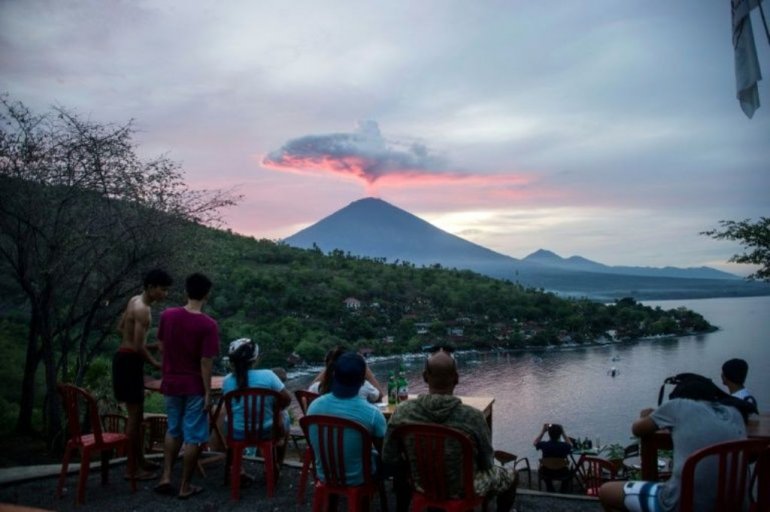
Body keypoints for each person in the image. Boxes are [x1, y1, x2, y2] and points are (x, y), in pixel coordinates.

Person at [382, 350, 518, 512]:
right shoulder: (472, 417)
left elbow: (388, 457)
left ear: (425, 377)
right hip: (464, 488)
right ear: (457, 378)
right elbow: (487, 462)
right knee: (512, 476)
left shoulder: (403, 411)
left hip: (421, 484)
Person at [598, 374, 756, 512]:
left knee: (606, 491)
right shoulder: (735, 413)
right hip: (736, 505)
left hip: (680, 505)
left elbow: (637, 429)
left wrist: (644, 415)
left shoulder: (678, 406)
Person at [154, 273, 219, 500]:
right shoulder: (208, 325)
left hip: (171, 382)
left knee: (173, 429)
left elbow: (161, 346)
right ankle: (185, 486)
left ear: (186, 291)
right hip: (193, 386)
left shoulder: (167, 316)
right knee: (193, 435)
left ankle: (166, 476)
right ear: (207, 295)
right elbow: (205, 361)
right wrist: (208, 392)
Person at [112, 268, 172, 481]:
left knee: (136, 418)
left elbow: (121, 329)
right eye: (163, 290)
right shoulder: (143, 309)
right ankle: (132, 470)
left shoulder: (133, 300)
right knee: (134, 418)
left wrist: (151, 345)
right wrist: (157, 363)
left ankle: (140, 460)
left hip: (124, 358)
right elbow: (137, 347)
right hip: (129, 362)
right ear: (151, 287)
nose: (165, 294)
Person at [306, 351, 387, 485]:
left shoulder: (314, 406)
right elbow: (384, 452)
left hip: (325, 475)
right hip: (359, 478)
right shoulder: (372, 413)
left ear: (333, 374)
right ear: (362, 381)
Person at [222, 338, 292, 466]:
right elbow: (287, 399)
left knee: (227, 417)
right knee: (284, 415)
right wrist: (275, 410)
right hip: (266, 432)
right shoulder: (268, 375)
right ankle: (276, 464)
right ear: (256, 359)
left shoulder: (227, 381)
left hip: (237, 432)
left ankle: (238, 469)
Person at [309, 346, 382, 402]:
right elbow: (379, 396)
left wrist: (328, 367)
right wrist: (366, 370)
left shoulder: (316, 389)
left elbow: (307, 394)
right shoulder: (363, 386)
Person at [533, 422, 574, 492]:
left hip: (547, 472)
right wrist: (563, 432)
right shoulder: (564, 446)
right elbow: (571, 445)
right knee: (570, 469)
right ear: (560, 434)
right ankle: (563, 490)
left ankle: (550, 487)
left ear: (549, 434)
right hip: (562, 473)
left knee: (543, 468)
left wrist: (543, 431)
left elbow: (535, 443)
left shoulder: (544, 445)